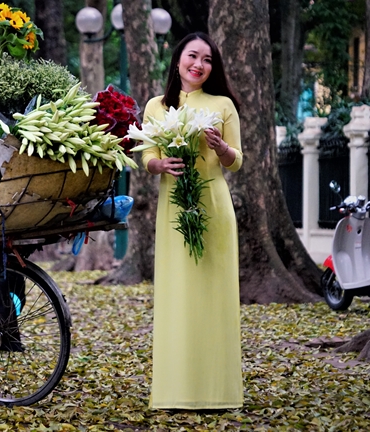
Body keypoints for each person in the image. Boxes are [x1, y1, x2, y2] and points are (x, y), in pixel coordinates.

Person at [141, 32, 244, 409]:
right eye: (193, 56)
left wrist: (223, 148)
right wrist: (158, 163)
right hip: (175, 208)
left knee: (214, 297)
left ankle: (219, 393)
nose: (199, 65)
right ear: (178, 60)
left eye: (207, 60)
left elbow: (238, 161)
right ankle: (174, 391)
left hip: (214, 207)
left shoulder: (223, 104)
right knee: (177, 297)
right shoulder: (156, 106)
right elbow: (147, 156)